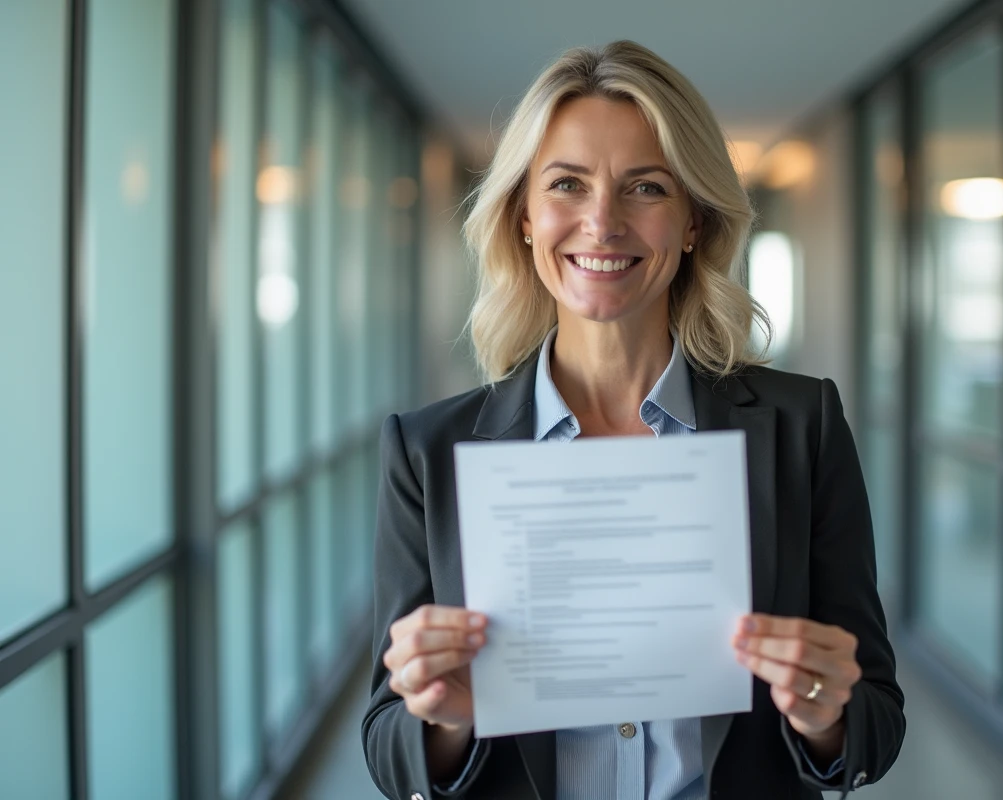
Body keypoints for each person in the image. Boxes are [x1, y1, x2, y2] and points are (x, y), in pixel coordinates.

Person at [362, 40, 904, 800]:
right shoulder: (429, 452)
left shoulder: (800, 427)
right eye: (567, 185)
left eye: (646, 187)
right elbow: (387, 748)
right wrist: (446, 720)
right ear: (524, 216)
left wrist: (825, 716)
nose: (602, 221)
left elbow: (877, 726)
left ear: (693, 223)